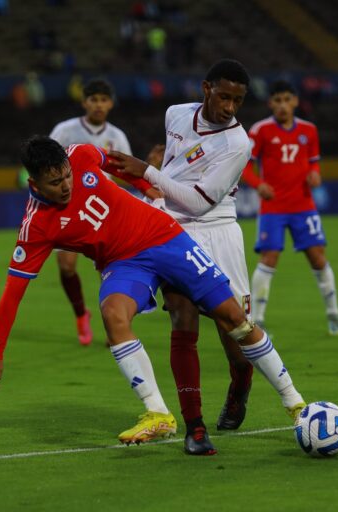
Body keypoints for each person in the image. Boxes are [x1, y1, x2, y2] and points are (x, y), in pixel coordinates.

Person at [0, 136, 308, 450]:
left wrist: (148, 188)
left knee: (235, 319)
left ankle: (295, 403)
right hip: (123, 264)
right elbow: (13, 293)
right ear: (34, 184)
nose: (67, 185)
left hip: (162, 237)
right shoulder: (36, 227)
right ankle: (158, 413)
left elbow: (121, 164)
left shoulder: (81, 154)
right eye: (55, 183)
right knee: (113, 314)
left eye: (67, 175)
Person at [109, 59, 258, 455]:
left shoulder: (238, 144)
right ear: (206, 88)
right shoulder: (175, 114)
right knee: (181, 314)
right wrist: (157, 187)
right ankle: (195, 426)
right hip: (179, 232)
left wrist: (149, 172)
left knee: (237, 336)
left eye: (238, 101)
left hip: (219, 229)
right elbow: (178, 171)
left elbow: (199, 200)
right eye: (224, 96)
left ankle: (240, 384)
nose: (229, 107)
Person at [241, 80, 338, 337]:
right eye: (277, 100)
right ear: (270, 103)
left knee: (318, 257)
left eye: (287, 100)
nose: (283, 105)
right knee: (268, 260)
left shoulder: (309, 131)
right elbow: (244, 167)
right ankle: (257, 321)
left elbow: (314, 163)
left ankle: (333, 313)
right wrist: (258, 184)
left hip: (303, 206)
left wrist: (315, 175)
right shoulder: (260, 131)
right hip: (273, 207)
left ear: (295, 101)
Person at [47, 79, 134, 346]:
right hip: (70, 208)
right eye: (93, 99)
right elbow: (46, 164)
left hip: (104, 212)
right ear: (84, 102)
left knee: (108, 272)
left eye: (103, 100)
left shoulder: (117, 136)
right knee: (66, 266)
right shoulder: (64, 131)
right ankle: (80, 314)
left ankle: (113, 328)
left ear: (110, 103)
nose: (98, 104)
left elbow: (126, 171)